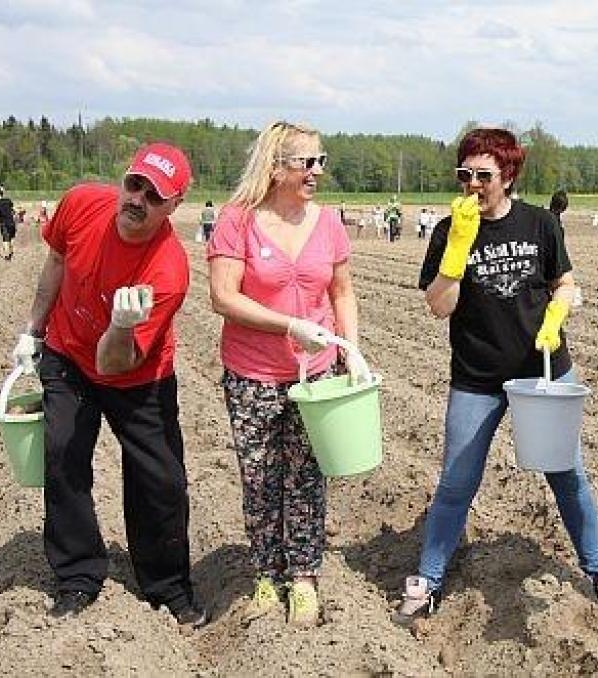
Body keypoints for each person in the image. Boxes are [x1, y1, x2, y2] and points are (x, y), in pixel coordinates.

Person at [395, 127, 598, 624]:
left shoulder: (541, 224)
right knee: (457, 482)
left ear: (508, 175)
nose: (473, 185)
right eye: (465, 174)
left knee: (568, 474)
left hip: (543, 373)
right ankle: (428, 580)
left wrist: (555, 314)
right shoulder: (446, 230)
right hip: (476, 377)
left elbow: (565, 285)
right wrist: (457, 251)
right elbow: (439, 307)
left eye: (484, 175)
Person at [10, 142, 206, 626]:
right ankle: (78, 575)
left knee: (159, 481)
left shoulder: (167, 271)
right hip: (68, 354)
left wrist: (119, 326)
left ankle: (167, 588)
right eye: (133, 184)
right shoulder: (81, 203)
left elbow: (114, 364)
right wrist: (34, 330)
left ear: (174, 206)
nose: (137, 199)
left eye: (154, 195)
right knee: (63, 457)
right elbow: (56, 261)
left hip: (137, 375)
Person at [207, 120, 369, 628]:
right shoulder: (238, 221)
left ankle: (302, 577)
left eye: (321, 160)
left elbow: (342, 291)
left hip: (315, 375)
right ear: (276, 169)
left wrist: (352, 351)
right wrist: (290, 324)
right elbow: (223, 297)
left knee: (306, 477)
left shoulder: (328, 223)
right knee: (260, 477)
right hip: (253, 372)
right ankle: (264, 571)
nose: (317, 171)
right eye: (307, 163)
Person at [0, 187, 16, 260]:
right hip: (11, 221)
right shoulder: (8, 200)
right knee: (11, 238)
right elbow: (12, 211)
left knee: (5, 239)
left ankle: (7, 255)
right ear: (2, 194)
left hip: (3, 222)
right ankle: (11, 252)